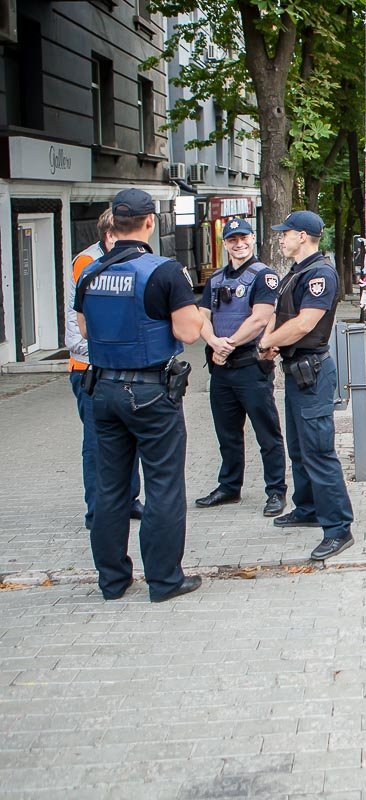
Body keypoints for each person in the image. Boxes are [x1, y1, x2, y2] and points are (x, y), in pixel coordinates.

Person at [74, 188, 205, 603]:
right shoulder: (165, 272)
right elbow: (188, 332)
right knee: (163, 485)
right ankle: (165, 581)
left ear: (113, 223)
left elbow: (83, 331)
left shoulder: (91, 272)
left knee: (111, 489)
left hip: (103, 389)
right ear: (151, 222)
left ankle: (112, 582)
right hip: (150, 393)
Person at [257, 210, 355, 561]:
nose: (281, 238)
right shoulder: (295, 272)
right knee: (299, 447)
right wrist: (267, 341)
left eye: (285, 233)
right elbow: (277, 316)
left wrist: (268, 344)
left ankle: (339, 527)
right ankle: (309, 507)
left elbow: (303, 325)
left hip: (312, 371)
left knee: (318, 451)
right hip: (296, 370)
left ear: (302, 236)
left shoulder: (320, 274)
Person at [194, 218, 287, 516]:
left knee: (267, 433)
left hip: (250, 365)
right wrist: (212, 341)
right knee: (227, 434)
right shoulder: (216, 279)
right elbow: (201, 316)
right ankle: (229, 487)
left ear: (252, 239)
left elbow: (260, 318)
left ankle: (276, 491)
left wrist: (228, 344)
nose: (239, 243)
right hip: (221, 368)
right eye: (232, 239)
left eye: (243, 237)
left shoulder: (264, 277)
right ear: (225, 243)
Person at [67, 210, 143, 530]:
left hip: (119, 367)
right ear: (111, 235)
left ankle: (128, 500)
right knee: (98, 443)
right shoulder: (89, 265)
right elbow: (81, 333)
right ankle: (97, 510)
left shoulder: (128, 260)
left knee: (129, 436)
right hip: (90, 369)